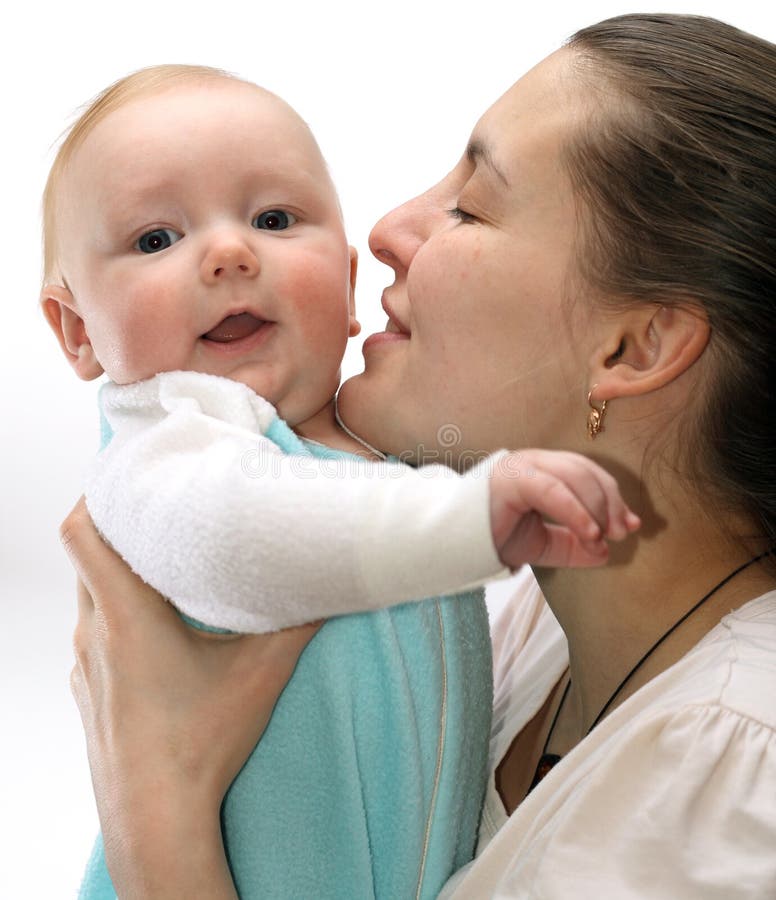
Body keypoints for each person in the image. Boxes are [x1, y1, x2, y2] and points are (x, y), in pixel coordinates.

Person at [58, 11, 776, 897]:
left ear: (632, 350)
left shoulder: (732, 776)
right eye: (155, 238)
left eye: (470, 207)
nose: (387, 229)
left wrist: (155, 806)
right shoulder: (540, 636)